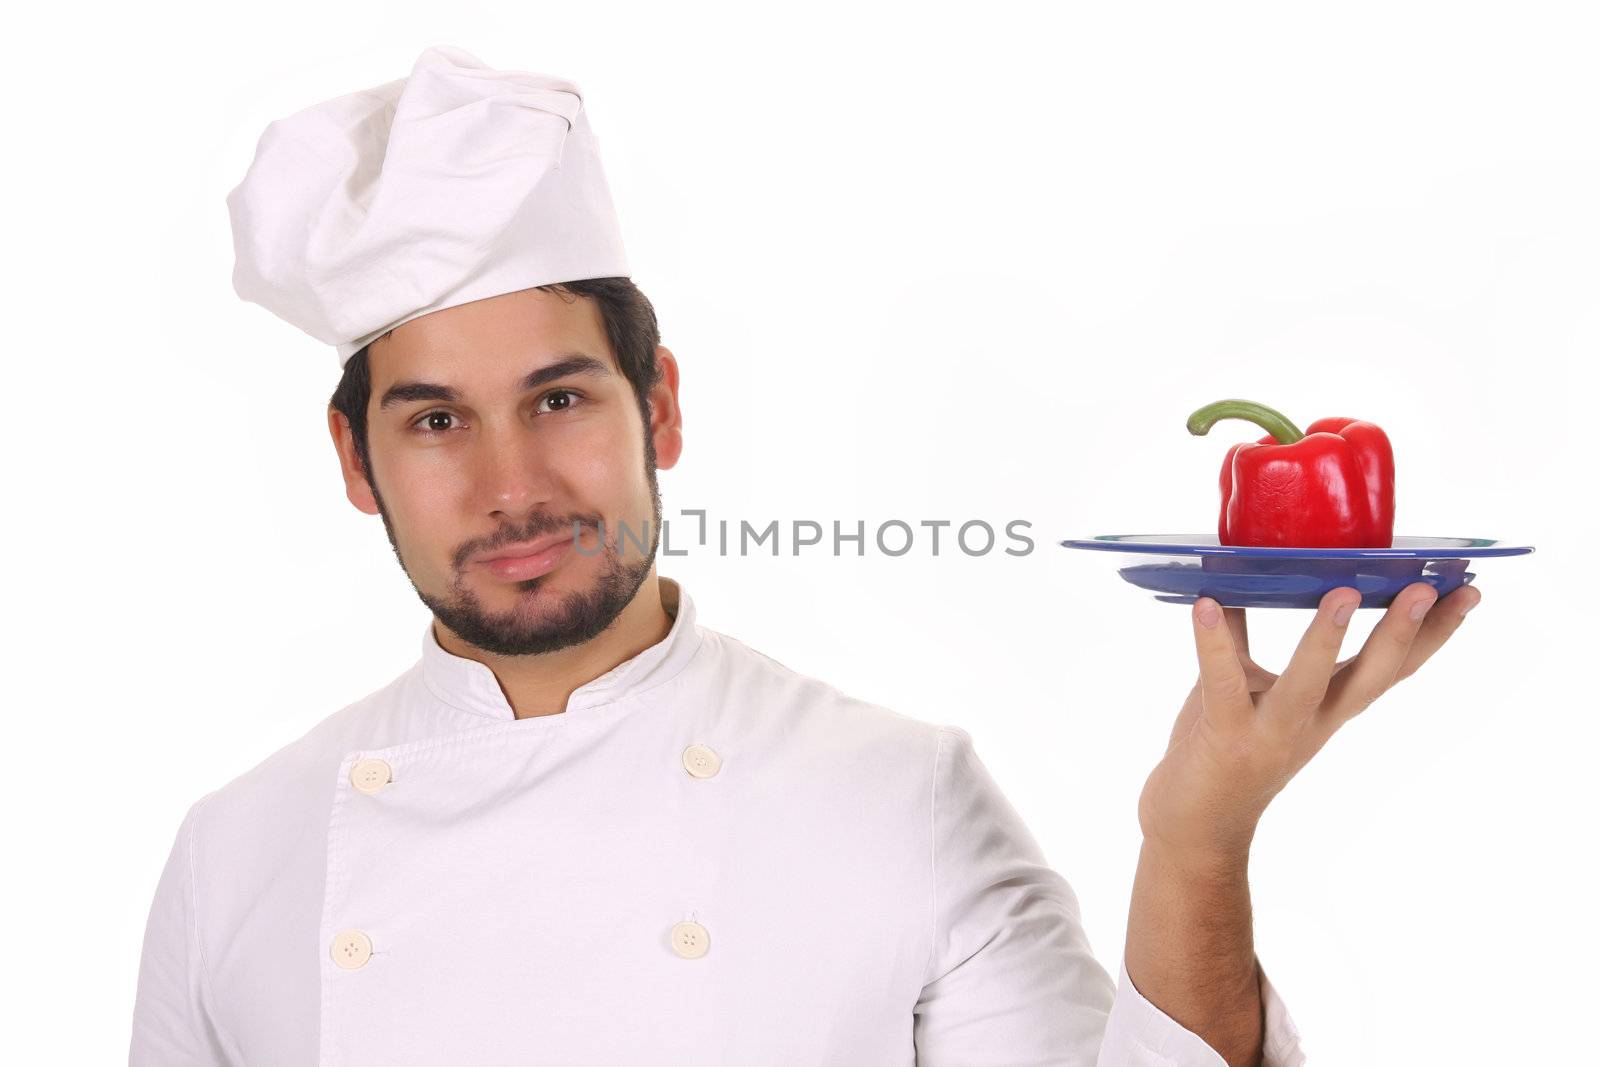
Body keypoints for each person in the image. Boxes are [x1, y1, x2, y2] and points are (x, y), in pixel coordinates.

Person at [130, 45, 1481, 1066]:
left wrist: (1199, 836)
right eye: (435, 422)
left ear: (658, 405)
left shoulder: (900, 795)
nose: (514, 487)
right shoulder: (237, 852)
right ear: (356, 463)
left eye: (560, 399)